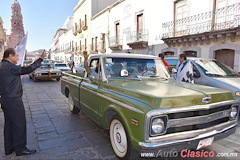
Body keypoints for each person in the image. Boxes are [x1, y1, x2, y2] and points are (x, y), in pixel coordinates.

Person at [0, 48, 47, 156]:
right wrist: (40, 59)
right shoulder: (10, 67)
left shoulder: (2, 66)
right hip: (14, 100)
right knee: (19, 124)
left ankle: (9, 148)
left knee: (9, 124)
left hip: (5, 99)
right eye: (16, 55)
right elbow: (28, 69)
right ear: (10, 56)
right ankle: (21, 149)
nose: (18, 57)